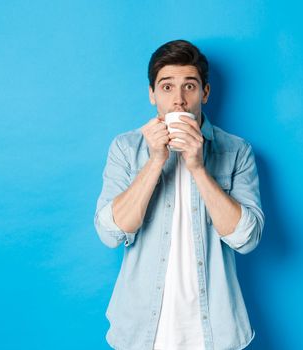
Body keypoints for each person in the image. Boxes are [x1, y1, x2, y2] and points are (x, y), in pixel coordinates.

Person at [94, 39, 265, 350]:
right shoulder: (126, 148)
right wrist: (156, 159)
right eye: (167, 87)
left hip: (214, 329)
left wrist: (198, 168)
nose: (179, 100)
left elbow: (247, 238)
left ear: (205, 92)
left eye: (189, 86)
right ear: (152, 94)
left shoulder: (236, 151)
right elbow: (110, 232)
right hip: (141, 329)